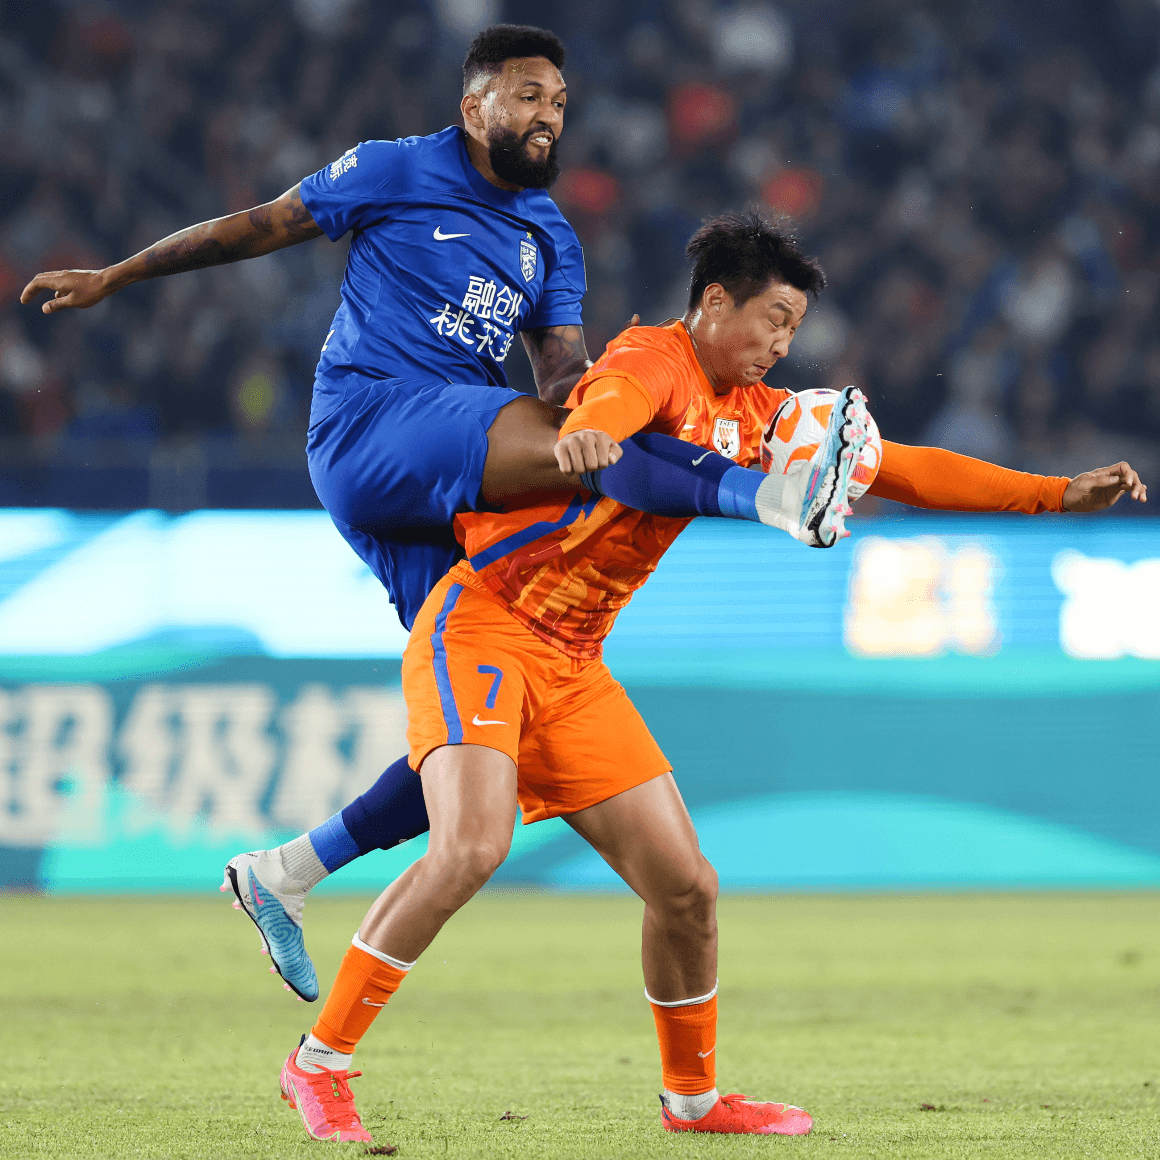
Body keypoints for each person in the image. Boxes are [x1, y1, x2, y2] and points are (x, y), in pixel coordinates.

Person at [266, 212, 1145, 1143]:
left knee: (686, 887)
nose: (782, 343)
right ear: (715, 302)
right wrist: (590, 431)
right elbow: (616, 409)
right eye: (774, 319)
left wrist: (1054, 494)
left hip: (573, 663)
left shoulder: (761, 415)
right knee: (471, 848)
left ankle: (692, 1102)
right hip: (483, 623)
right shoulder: (653, 357)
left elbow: (903, 470)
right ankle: (317, 1064)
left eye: (794, 327)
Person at [19, 23, 854, 638]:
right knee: (584, 447)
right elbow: (257, 226)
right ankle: (772, 498)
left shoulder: (552, 239)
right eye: (528, 96)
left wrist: (635, 385)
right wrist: (116, 275)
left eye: (559, 103)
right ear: (474, 106)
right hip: (369, 418)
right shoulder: (395, 167)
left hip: (443, 472)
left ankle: (334, 840)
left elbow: (566, 384)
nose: (548, 116)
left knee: (480, 671)